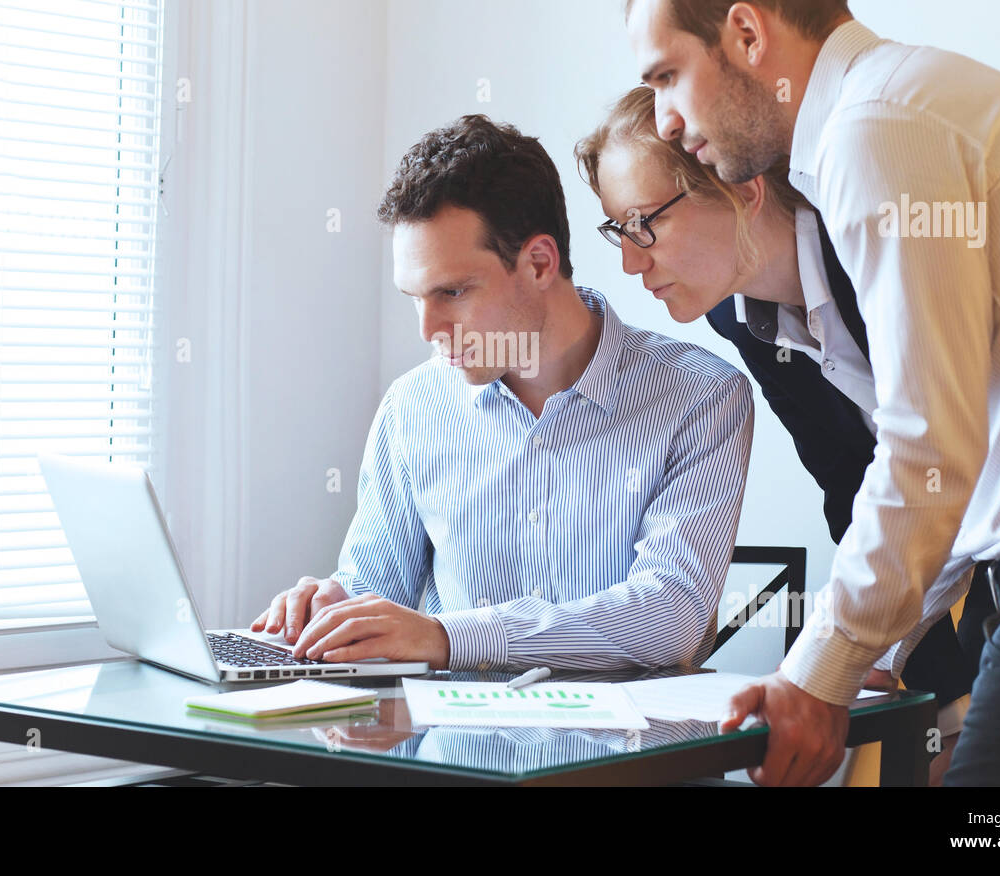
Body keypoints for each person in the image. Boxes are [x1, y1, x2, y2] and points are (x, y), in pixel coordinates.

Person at [624, 0, 1000, 785]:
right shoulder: (910, 101)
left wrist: (819, 673)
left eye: (669, 75)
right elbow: (965, 468)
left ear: (747, 35)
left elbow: (930, 449)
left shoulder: (876, 130)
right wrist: (855, 659)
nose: (668, 123)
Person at [574, 85, 990, 784]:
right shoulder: (739, 315)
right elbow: (853, 490)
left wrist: (854, 668)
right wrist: (927, 692)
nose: (630, 262)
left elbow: (942, 467)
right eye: (617, 230)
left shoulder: (872, 243)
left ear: (743, 187)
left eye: (643, 223)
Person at [249, 113, 755, 675]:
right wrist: (330, 607)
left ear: (539, 262)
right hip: (450, 756)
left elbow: (670, 618)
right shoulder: (413, 408)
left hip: (625, 758)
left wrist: (448, 638)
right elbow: (374, 586)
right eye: (414, 297)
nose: (428, 330)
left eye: (453, 292)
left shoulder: (700, 397)